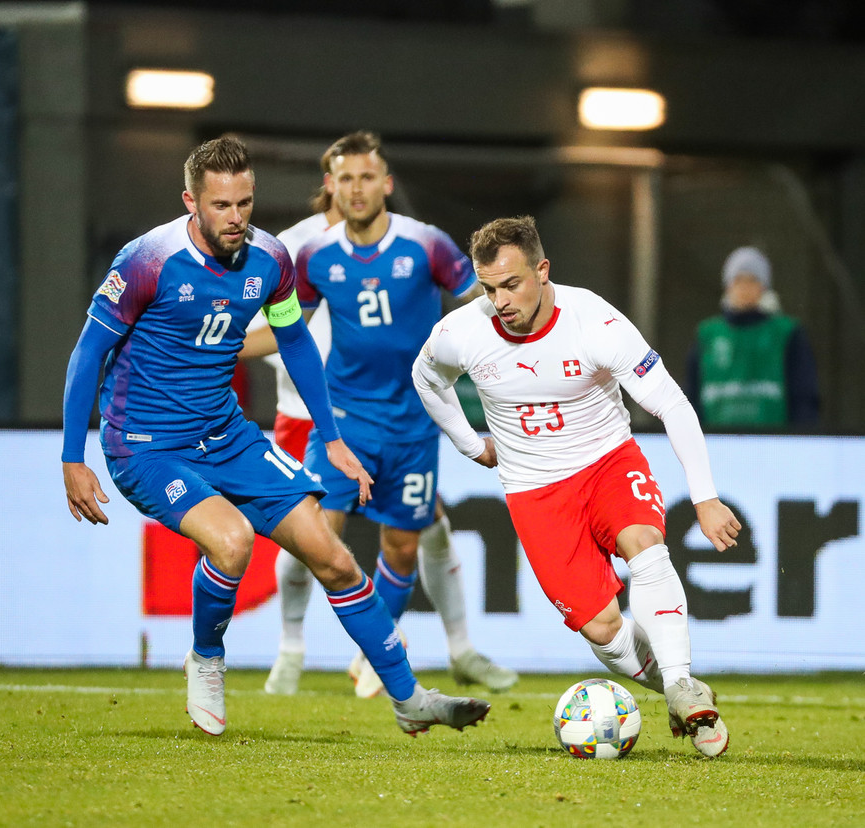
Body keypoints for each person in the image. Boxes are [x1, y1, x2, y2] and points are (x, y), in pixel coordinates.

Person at [61, 135, 490, 738]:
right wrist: (72, 456)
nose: (236, 217)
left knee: (333, 557)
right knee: (232, 541)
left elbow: (295, 341)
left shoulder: (270, 259)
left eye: (245, 203)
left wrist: (331, 437)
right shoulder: (146, 259)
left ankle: (409, 698)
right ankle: (206, 658)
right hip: (146, 445)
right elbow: (88, 354)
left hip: (228, 436)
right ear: (191, 202)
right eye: (221, 206)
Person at [412, 215, 742, 758]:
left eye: (511, 284)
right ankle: (678, 689)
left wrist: (705, 497)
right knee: (602, 629)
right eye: (489, 289)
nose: (500, 301)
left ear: (542, 270)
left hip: (607, 462)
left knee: (645, 545)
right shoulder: (461, 333)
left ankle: (682, 682)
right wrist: (470, 444)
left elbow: (671, 403)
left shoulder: (596, 322)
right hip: (535, 492)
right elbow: (425, 379)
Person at [242, 130, 518, 698]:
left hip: (415, 423)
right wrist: (220, 347)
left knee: (403, 547)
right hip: (344, 420)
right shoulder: (314, 254)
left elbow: (480, 299)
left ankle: (378, 650)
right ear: (331, 186)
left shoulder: (426, 244)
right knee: (315, 538)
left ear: (386, 183)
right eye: (346, 179)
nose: (356, 188)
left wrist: (520, 328)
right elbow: (290, 329)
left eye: (367, 177)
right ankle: (295, 650)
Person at [686, 246, 820, 429]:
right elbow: (691, 396)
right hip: (716, 441)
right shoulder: (707, 335)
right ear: (728, 285)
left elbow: (804, 396)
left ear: (764, 286)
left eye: (752, 280)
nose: (745, 288)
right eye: (739, 280)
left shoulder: (787, 334)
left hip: (773, 441)